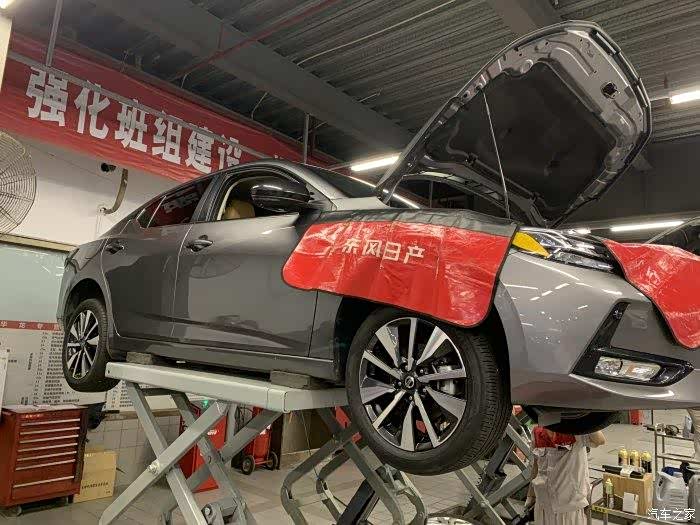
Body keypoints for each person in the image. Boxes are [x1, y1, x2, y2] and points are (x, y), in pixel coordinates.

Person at [525, 427, 606, 525]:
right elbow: (536, 466)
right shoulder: (537, 432)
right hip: (543, 503)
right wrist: (530, 496)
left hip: (569, 506)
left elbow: (600, 440)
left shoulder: (576, 431)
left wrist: (582, 420)